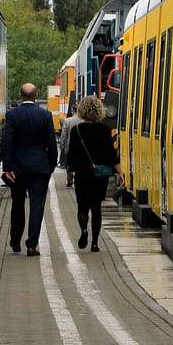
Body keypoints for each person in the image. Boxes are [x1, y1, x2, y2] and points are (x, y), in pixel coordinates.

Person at [2, 83, 58, 256]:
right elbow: (51, 142)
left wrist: (7, 167)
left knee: (17, 204)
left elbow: (8, 141)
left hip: (18, 168)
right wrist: (51, 165)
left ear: (20, 95)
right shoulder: (45, 115)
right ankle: (32, 245)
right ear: (36, 96)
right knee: (37, 206)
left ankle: (15, 241)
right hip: (40, 168)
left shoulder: (12, 115)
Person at [61, 95, 120, 251]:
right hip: (100, 175)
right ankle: (95, 243)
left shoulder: (76, 130)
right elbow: (111, 155)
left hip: (82, 174)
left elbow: (71, 154)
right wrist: (119, 173)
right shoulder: (105, 130)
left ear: (82, 111)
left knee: (82, 207)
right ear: (100, 111)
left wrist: (70, 171)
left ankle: (84, 230)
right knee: (96, 208)